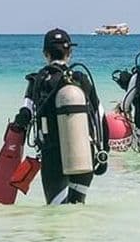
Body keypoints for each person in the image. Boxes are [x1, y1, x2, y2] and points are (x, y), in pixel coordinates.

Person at [12, 28, 109, 204]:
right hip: (84, 155)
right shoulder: (80, 79)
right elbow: (100, 116)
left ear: (45, 54)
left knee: (57, 214)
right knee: (77, 208)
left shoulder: (38, 80)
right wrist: (104, 153)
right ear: (70, 52)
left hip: (53, 157)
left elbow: (25, 114)